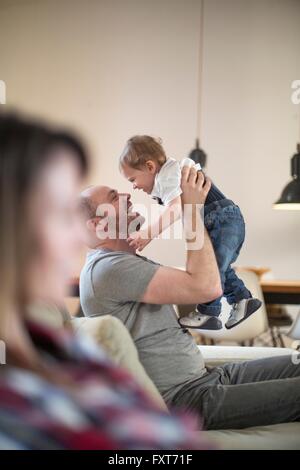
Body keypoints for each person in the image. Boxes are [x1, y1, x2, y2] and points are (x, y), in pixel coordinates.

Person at [0, 112, 203, 450]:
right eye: (59, 215)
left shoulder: (67, 352)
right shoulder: (20, 408)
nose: (74, 240)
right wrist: (192, 212)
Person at [79, 176, 300, 430]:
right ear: (98, 224)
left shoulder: (121, 261)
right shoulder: (107, 268)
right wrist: (191, 210)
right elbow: (207, 287)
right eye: (113, 198)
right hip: (187, 400)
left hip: (205, 378)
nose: (127, 196)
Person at [119, 135, 261, 330]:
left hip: (221, 219)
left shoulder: (168, 175)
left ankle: (208, 312)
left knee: (213, 269)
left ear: (150, 167)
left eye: (133, 179)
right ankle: (242, 299)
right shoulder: (169, 175)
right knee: (217, 267)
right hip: (222, 219)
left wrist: (148, 233)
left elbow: (175, 209)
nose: (133, 185)